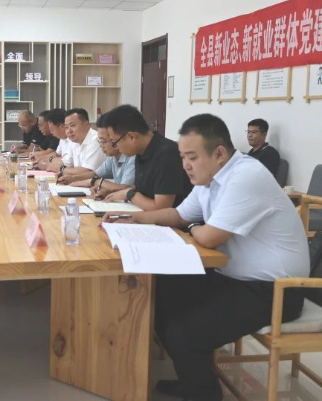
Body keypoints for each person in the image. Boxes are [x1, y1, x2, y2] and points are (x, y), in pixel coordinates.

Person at [105, 113, 309, 401]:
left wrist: (191, 227)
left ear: (219, 153)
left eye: (192, 157)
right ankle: (194, 380)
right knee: (160, 294)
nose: (185, 165)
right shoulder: (208, 178)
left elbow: (210, 237)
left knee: (185, 331)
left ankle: (204, 393)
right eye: (182, 157)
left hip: (276, 290)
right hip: (233, 278)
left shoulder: (246, 176)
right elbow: (179, 214)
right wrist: (133, 220)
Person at [96, 105, 191, 210]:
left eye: (114, 143)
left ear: (132, 137)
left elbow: (161, 208)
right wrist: (114, 193)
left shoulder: (167, 154)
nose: (116, 147)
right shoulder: (140, 151)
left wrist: (129, 194)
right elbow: (142, 190)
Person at [63, 114, 136, 189]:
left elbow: (125, 188)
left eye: (103, 141)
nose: (101, 145)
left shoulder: (132, 156)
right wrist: (72, 178)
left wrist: (96, 182)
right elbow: (96, 174)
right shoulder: (112, 156)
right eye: (99, 141)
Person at [56, 108, 105, 182]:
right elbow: (65, 163)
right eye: (66, 127)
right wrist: (63, 170)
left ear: (86, 125)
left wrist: (63, 170)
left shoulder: (96, 140)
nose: (69, 131)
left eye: (72, 125)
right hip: (79, 183)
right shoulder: (73, 140)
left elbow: (88, 172)